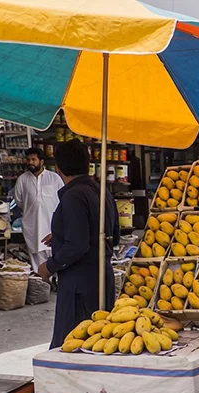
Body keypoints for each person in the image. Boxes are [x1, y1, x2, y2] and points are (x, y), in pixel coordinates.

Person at [39, 139, 120, 349]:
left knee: (73, 348)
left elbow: (77, 245)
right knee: (100, 344)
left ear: (58, 168)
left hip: (79, 286)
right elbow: (113, 236)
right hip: (102, 278)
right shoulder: (102, 192)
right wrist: (59, 234)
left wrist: (49, 266)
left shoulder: (74, 196)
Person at [13, 147, 63, 273]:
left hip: (51, 224)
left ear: (41, 161)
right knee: (36, 256)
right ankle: (42, 284)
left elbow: (62, 200)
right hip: (32, 225)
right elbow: (19, 201)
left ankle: (54, 282)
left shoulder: (54, 178)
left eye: (33, 159)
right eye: (28, 159)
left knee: (54, 254)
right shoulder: (22, 180)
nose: (30, 162)